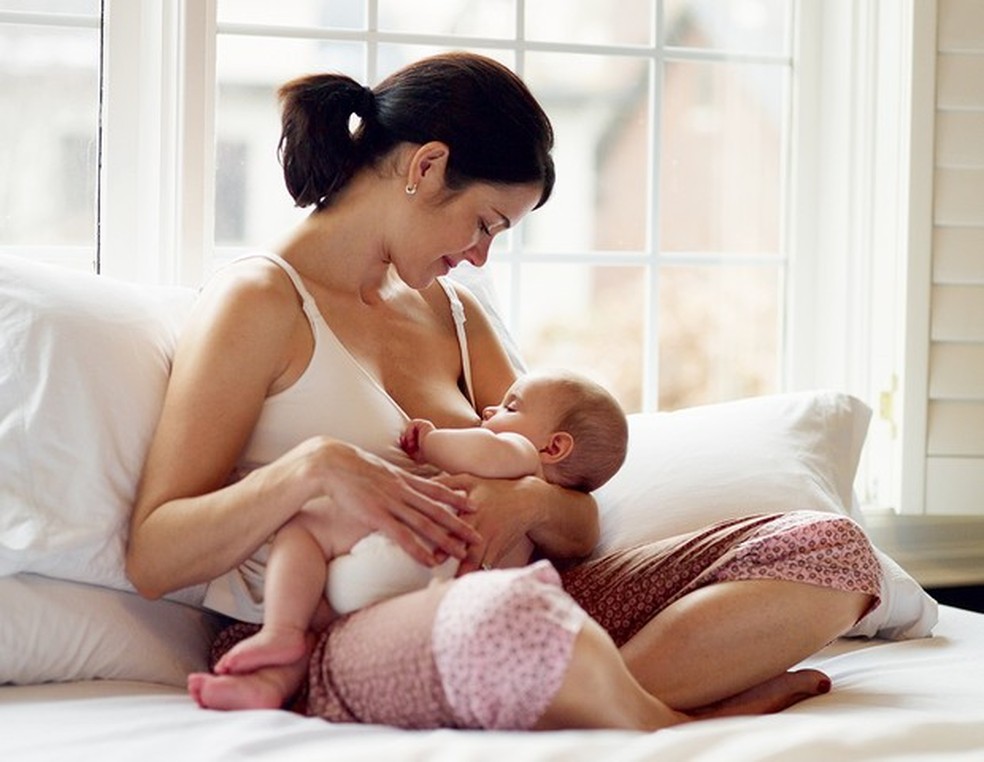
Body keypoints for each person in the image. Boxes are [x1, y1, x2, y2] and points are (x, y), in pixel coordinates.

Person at [127, 52, 881, 732]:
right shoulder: (259, 302)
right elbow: (155, 556)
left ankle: (590, 688)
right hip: (338, 631)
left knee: (831, 550)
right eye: (484, 223)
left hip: (524, 602)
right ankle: (665, 717)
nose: (480, 255)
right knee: (508, 619)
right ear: (425, 167)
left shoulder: (455, 315)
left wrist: (525, 502)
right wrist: (312, 469)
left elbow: (579, 519)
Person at [200, 369, 627, 703]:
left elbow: (481, 450)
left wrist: (431, 442)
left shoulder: (521, 455)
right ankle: (273, 684)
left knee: (306, 526)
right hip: (433, 605)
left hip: (417, 545)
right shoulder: (535, 530)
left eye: (510, 406)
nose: (489, 412)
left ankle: (282, 629)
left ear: (553, 449)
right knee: (326, 627)